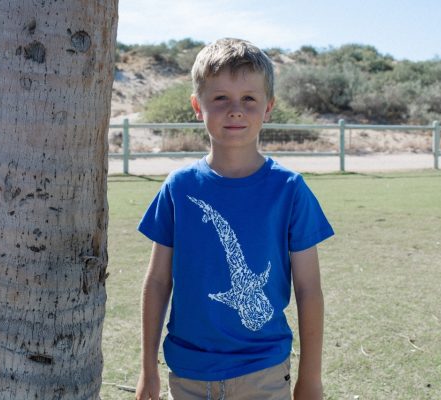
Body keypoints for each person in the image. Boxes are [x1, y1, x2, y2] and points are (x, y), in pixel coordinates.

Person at [135, 38, 334, 400]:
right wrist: (147, 368)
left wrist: (311, 379)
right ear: (198, 106)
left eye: (249, 99)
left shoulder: (289, 190)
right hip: (189, 373)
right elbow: (158, 281)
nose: (236, 110)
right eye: (221, 98)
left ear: (268, 108)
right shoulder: (179, 188)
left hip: (264, 372)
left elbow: (308, 291)